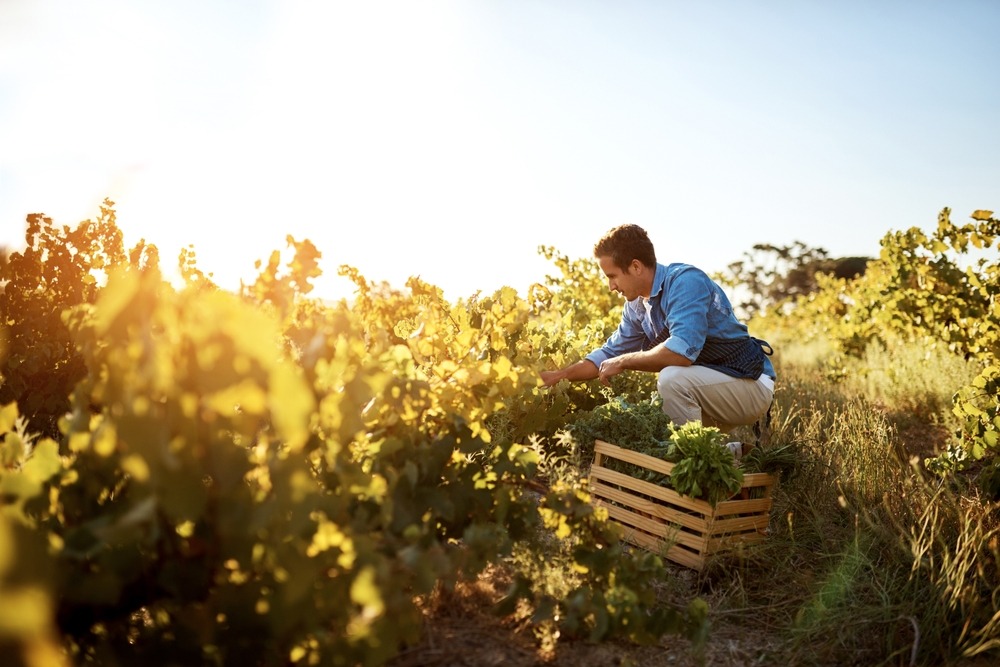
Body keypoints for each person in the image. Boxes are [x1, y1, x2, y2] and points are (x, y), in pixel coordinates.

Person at [540, 224, 775, 434]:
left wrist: (623, 362)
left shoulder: (685, 282)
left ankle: (695, 459)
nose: (611, 286)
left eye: (612, 276)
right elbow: (608, 354)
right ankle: (731, 456)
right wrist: (560, 376)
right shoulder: (636, 306)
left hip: (749, 382)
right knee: (662, 423)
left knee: (672, 379)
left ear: (635, 266)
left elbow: (680, 354)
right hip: (711, 387)